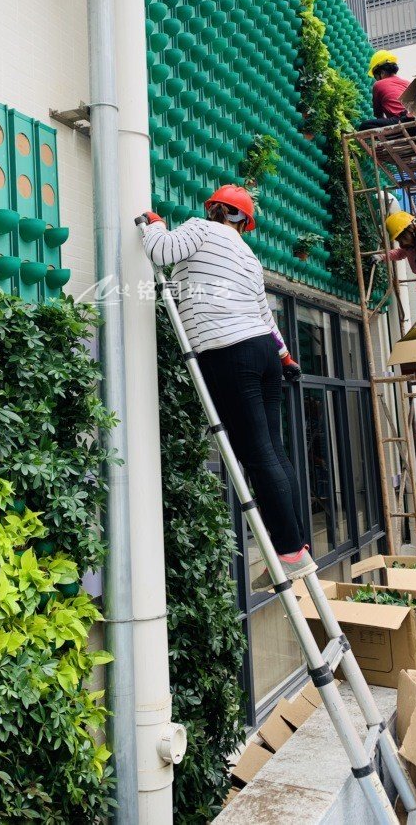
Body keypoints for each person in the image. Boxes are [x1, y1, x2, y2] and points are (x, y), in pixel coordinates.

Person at [141, 185, 316, 588]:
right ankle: (298, 544)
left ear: (215, 209)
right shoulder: (249, 257)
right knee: (273, 450)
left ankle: (288, 553)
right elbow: (263, 313)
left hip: (227, 351)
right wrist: (286, 356)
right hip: (263, 353)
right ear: (245, 222)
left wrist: (154, 225)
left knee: (257, 455)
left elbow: (161, 252)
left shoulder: (200, 228)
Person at [358, 50, 416, 130]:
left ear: (381, 72)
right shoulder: (406, 83)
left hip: (403, 121)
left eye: (375, 76)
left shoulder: (378, 85)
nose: (376, 79)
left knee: (364, 126)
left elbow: (379, 115)